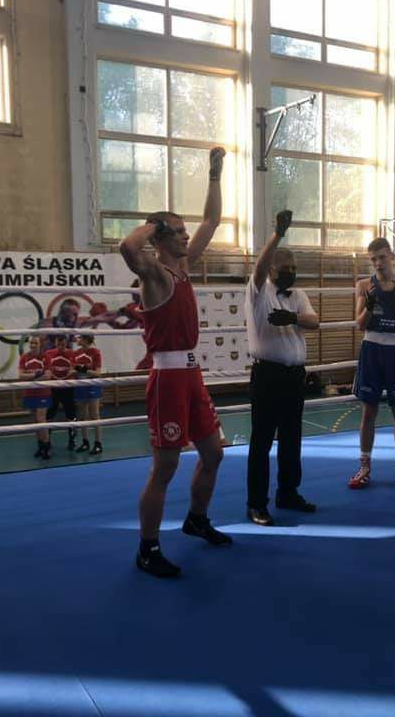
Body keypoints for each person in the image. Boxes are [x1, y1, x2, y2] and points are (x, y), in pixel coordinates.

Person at [120, 146, 230, 579]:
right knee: (165, 466)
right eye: (178, 232)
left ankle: (196, 519)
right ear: (161, 239)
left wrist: (215, 174)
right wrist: (153, 224)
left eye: (185, 231)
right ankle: (147, 548)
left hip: (192, 375)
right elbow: (127, 246)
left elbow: (212, 221)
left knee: (213, 453)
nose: (186, 237)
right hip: (167, 379)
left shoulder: (184, 268)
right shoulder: (154, 274)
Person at [243, 210, 320, 526]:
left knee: (291, 438)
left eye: (294, 269)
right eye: (285, 269)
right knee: (261, 441)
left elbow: (314, 322)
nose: (291, 274)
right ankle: (256, 504)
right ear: (273, 269)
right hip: (267, 375)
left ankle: (288, 492)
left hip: (294, 376)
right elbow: (259, 267)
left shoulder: (298, 294)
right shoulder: (258, 291)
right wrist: (277, 234)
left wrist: (293, 318)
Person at [350, 237, 395, 489]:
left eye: (381, 257)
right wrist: (369, 307)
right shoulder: (364, 285)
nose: (378, 263)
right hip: (372, 350)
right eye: (373, 259)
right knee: (369, 411)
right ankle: (364, 467)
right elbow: (360, 325)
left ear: (391, 255)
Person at [18, 335, 53, 459]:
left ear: (40, 344)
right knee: (35, 421)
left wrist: (31, 378)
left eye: (35, 343)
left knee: (41, 420)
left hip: (43, 393)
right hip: (29, 393)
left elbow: (48, 375)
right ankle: (40, 446)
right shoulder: (24, 357)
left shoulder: (46, 357)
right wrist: (37, 374)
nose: (33, 345)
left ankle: (47, 447)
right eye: (31, 343)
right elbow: (20, 375)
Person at [45, 334, 78, 449]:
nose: (61, 346)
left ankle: (72, 440)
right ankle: (47, 441)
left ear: (66, 343)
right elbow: (46, 369)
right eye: (59, 344)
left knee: (71, 414)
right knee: (49, 414)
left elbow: (76, 368)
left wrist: (73, 371)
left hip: (68, 388)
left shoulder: (72, 354)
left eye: (63, 344)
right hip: (53, 388)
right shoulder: (48, 353)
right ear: (55, 343)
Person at [73, 334, 104, 455]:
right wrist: (75, 370)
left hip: (92, 385)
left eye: (80, 338)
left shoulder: (95, 352)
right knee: (82, 415)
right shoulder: (76, 353)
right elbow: (73, 369)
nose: (78, 340)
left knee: (94, 414)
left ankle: (98, 443)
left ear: (86, 340)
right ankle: (85, 442)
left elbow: (98, 373)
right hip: (80, 384)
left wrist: (84, 369)